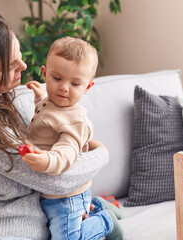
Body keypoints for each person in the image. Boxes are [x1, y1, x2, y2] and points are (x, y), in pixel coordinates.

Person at [0, 12, 110, 240]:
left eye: (20, 56)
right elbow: (54, 179)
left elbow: (58, 144)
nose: (24, 66)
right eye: (9, 65)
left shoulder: (11, 98)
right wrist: (101, 154)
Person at [22, 37, 123, 240]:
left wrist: (46, 160)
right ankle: (99, 205)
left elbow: (67, 152)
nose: (64, 88)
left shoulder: (76, 121)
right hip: (48, 194)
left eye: (75, 83)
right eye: (57, 78)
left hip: (68, 196)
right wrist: (39, 95)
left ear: (87, 86)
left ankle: (105, 221)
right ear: (44, 73)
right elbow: (47, 114)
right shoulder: (50, 102)